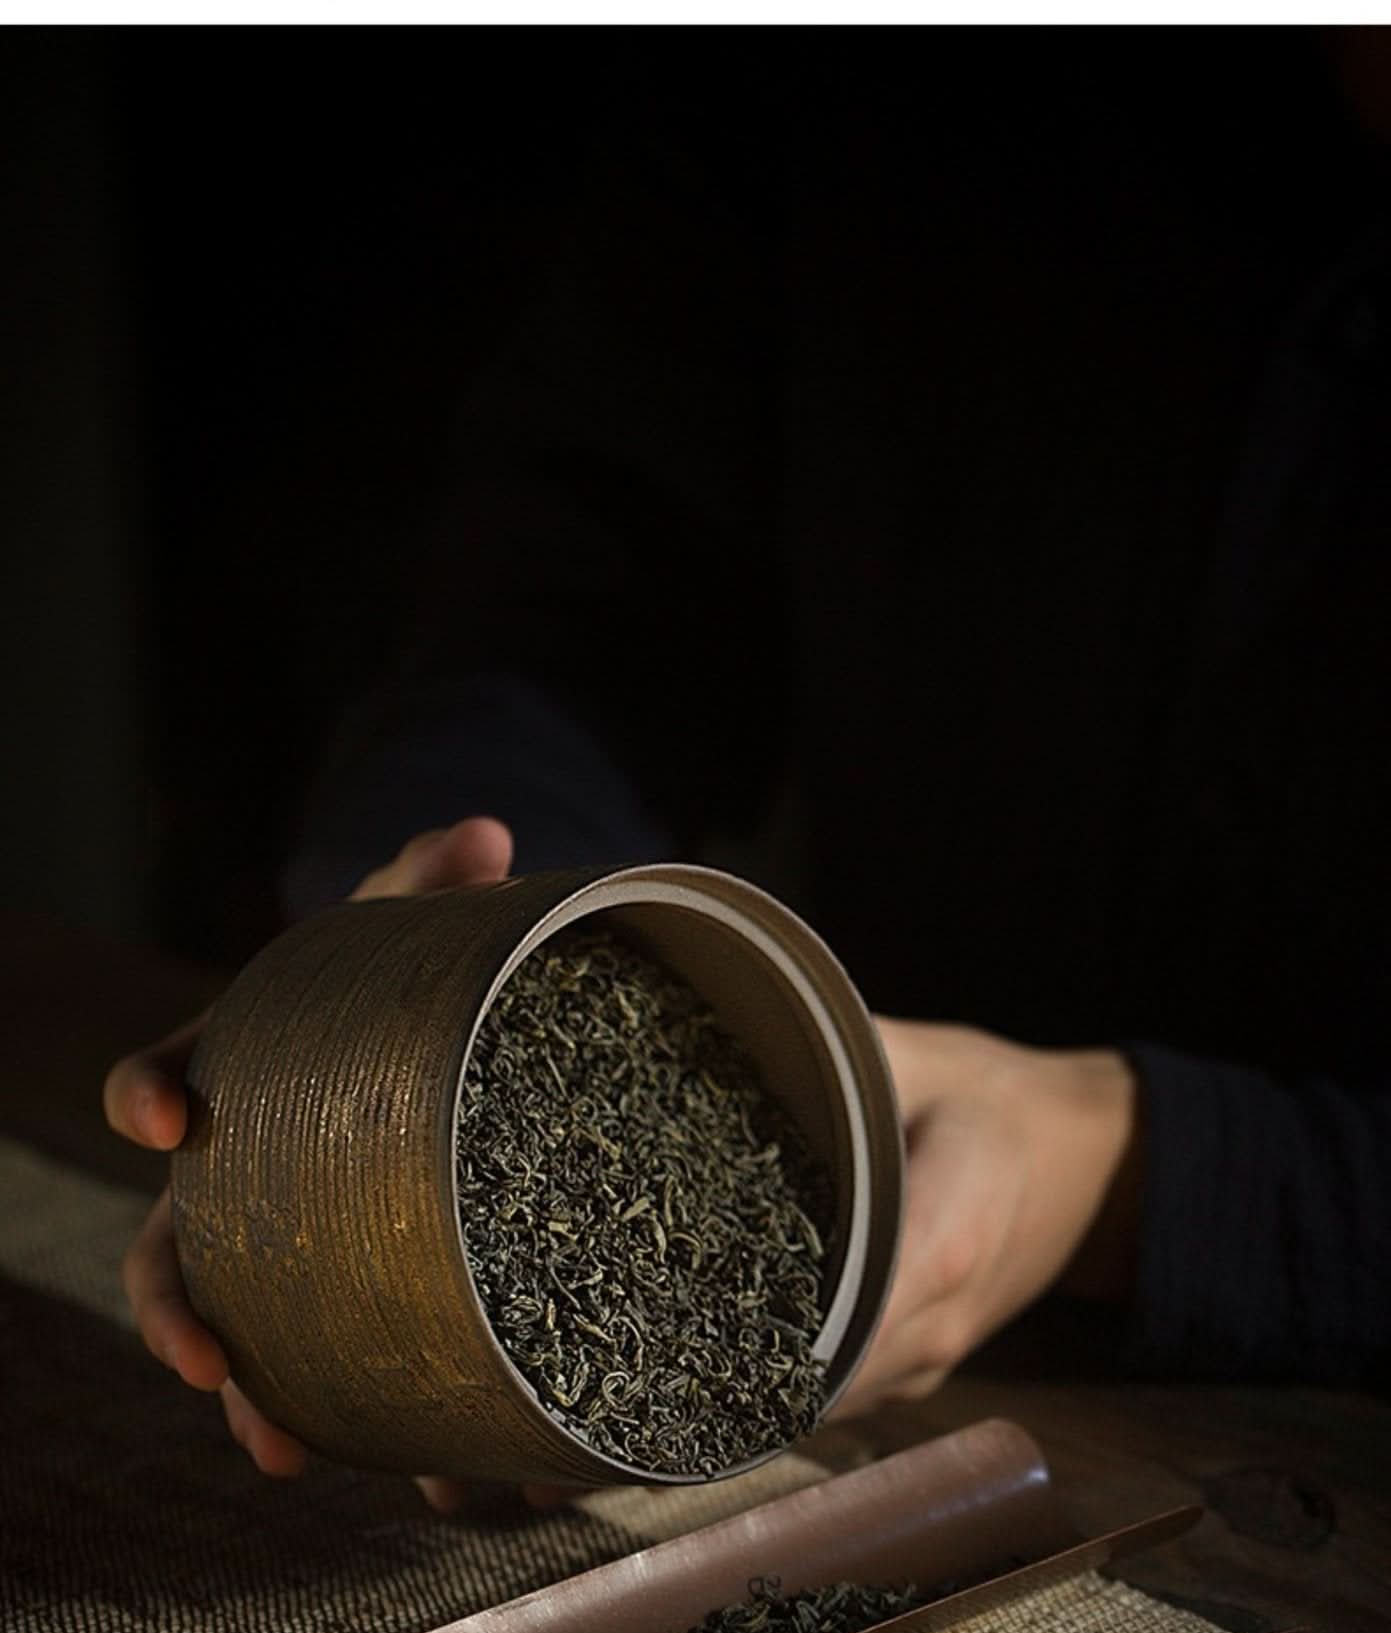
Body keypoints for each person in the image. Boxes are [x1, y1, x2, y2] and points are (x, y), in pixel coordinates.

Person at [106, 34, 1391, 1500]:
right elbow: (594, 592)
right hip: (863, 1294)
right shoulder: (868, 62)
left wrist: (1140, 1168)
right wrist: (417, 952)